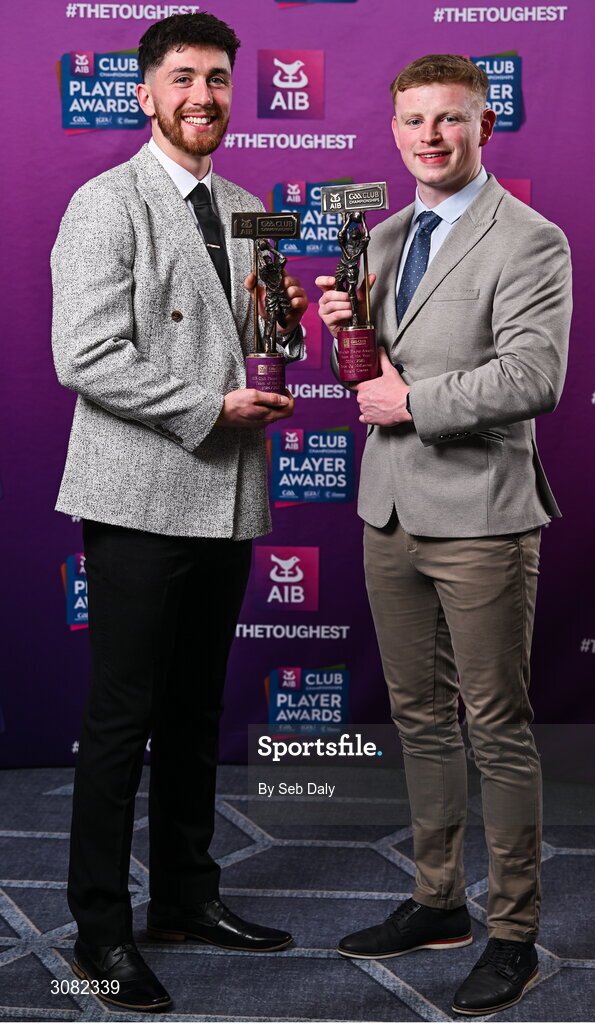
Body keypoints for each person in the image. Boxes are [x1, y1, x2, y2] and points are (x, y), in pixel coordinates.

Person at [51, 12, 307, 1012]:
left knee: (198, 710)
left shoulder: (246, 206)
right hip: (139, 494)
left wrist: (303, 323)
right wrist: (211, 407)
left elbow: (256, 336)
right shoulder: (104, 203)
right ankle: (100, 933)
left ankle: (186, 899)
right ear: (147, 94)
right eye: (184, 78)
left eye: (219, 80)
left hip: (227, 496)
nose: (204, 96)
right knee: (123, 720)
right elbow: (87, 355)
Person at [317, 54, 571, 1017]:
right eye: (413, 120)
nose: (430, 136)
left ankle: (512, 934)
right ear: (393, 132)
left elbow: (532, 377)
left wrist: (411, 399)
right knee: (419, 719)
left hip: (481, 517)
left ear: (482, 127)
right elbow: (368, 378)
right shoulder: (381, 237)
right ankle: (436, 903)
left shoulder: (530, 239)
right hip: (388, 508)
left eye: (449, 119)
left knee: (495, 728)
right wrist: (343, 332)